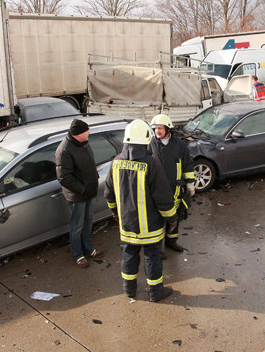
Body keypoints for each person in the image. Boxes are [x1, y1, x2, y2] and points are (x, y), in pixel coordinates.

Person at [105, 119, 177, 302]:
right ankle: (155, 292)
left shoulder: (116, 163)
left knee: (129, 255)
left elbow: (109, 194)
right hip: (150, 227)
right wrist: (172, 218)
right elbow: (163, 197)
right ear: (145, 141)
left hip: (127, 225)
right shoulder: (151, 164)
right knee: (152, 257)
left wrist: (116, 213)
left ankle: (129, 290)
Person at [55, 119, 104, 268]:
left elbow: (89, 164)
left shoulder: (83, 143)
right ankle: (78, 254)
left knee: (88, 221)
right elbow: (64, 177)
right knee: (77, 225)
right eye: (86, 131)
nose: (89, 132)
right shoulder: (64, 150)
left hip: (88, 192)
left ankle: (88, 248)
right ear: (78, 134)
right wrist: (82, 189)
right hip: (77, 196)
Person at [150, 114, 195, 254]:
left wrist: (190, 183)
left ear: (168, 129)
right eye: (155, 128)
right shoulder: (150, 144)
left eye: (160, 128)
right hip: (156, 190)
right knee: (157, 220)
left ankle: (171, 242)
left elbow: (187, 165)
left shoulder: (179, 145)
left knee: (174, 217)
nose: (157, 131)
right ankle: (158, 248)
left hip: (175, 190)